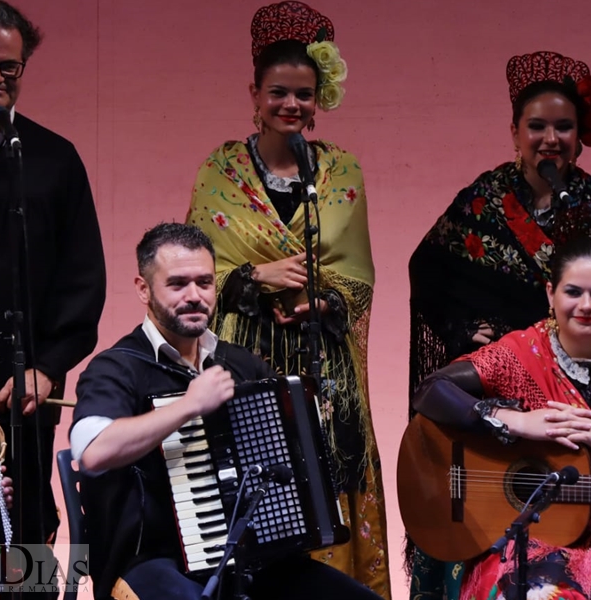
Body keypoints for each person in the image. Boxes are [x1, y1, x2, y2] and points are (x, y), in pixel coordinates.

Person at [407, 50, 591, 599]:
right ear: (515, 132)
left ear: (580, 137)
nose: (550, 138)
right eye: (537, 126)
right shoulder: (482, 202)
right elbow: (430, 269)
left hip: (582, 376)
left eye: (564, 127)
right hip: (511, 376)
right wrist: (467, 333)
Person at [185, 2, 388, 596]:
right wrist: (255, 275)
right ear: (254, 93)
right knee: (260, 490)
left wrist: (323, 300)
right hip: (249, 358)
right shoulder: (218, 169)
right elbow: (197, 270)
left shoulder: (343, 171)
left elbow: (359, 274)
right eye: (278, 92)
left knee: (330, 486)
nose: (291, 106)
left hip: (326, 362)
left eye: (304, 93)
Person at [69, 223, 381, 600]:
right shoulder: (117, 368)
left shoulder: (241, 366)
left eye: (204, 282)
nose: (194, 296)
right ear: (143, 289)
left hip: (252, 560)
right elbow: (93, 452)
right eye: (177, 284)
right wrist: (188, 406)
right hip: (149, 562)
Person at [411, 217, 591, 600]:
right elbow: (430, 391)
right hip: (534, 527)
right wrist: (514, 421)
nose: (586, 306)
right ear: (551, 294)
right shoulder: (520, 352)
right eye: (573, 292)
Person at [0, 1, 105, 598]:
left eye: (10, 68)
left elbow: (82, 279)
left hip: (18, 397)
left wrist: (48, 368)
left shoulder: (51, 159)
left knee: (19, 556)